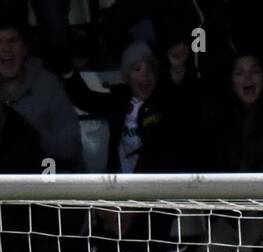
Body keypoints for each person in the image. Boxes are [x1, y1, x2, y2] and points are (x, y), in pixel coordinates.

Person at [60, 41, 191, 173]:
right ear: (127, 77)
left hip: (160, 182)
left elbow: (180, 98)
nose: (145, 75)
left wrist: (177, 67)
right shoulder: (119, 100)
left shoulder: (164, 99)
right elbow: (86, 100)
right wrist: (68, 72)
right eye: (137, 69)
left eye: (150, 69)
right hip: (123, 183)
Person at [0, 17, 82, 171]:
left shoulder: (47, 84)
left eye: (12, 41)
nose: (5, 49)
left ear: (25, 48)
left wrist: (33, 134)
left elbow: (72, 149)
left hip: (45, 184)